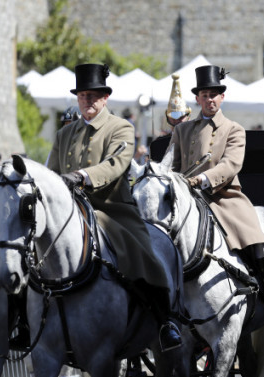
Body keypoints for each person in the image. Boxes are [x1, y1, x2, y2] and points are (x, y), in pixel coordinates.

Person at [47, 63, 182, 352]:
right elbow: (52, 172)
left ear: (105, 97)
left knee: (145, 255)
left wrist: (82, 176)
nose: (88, 101)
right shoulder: (64, 135)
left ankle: (164, 321)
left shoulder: (121, 128)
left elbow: (115, 165)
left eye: (94, 96)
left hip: (110, 209)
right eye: (83, 95)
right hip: (69, 212)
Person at [170, 65, 264, 326]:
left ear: (221, 97)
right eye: (204, 94)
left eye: (214, 94)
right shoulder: (182, 131)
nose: (209, 99)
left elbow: (231, 164)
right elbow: (173, 165)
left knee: (255, 242)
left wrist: (204, 179)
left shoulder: (234, 129)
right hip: (187, 198)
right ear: (198, 99)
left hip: (224, 197)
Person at [149, 73, 192, 162]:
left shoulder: (196, 141)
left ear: (188, 117)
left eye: (180, 118)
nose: (177, 121)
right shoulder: (158, 144)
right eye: (173, 118)